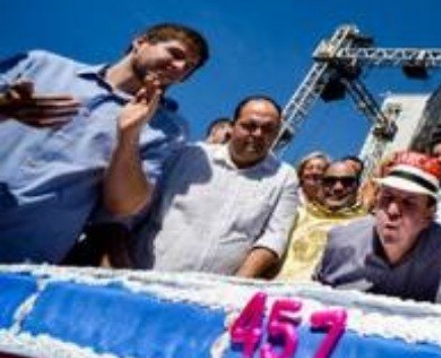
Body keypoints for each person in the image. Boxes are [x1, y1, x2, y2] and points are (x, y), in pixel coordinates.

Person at [0, 23, 209, 264]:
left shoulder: (169, 128)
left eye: (189, 67)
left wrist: (128, 136)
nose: (180, 67)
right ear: (140, 42)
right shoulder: (40, 64)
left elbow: (123, 206)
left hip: (22, 261)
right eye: (176, 53)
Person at [130, 96, 299, 277]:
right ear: (233, 127)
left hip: (213, 295)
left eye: (268, 129)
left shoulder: (284, 177)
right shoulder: (188, 156)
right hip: (145, 278)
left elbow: (274, 237)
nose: (258, 134)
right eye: (249, 126)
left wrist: (235, 287)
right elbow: (139, 208)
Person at [316, 151, 441, 304]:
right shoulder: (341, 241)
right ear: (376, 201)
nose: (392, 211)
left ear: (429, 214)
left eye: (409, 203)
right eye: (387, 198)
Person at [276, 158, 366, 282]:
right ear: (321, 184)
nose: (338, 187)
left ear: (357, 186)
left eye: (347, 182)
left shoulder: (367, 227)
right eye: (330, 181)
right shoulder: (296, 214)